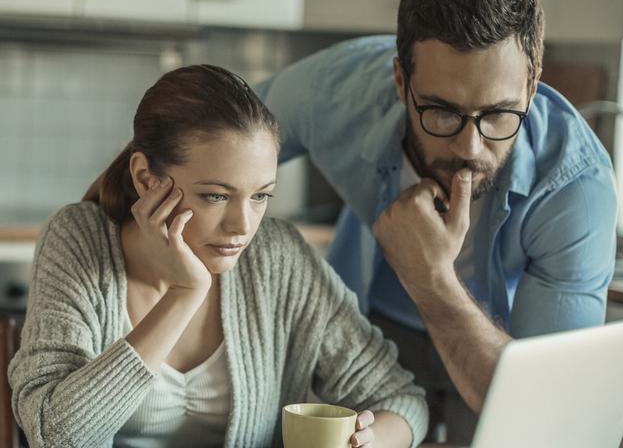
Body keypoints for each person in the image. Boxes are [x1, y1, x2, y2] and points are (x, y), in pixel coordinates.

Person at [254, 0, 618, 442]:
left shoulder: (577, 188)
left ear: (532, 84)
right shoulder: (332, 94)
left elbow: (544, 413)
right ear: (401, 82)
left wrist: (429, 278)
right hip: (369, 330)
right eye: (442, 112)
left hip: (496, 341)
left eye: (498, 114)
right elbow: (209, 138)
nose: (469, 148)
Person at [8, 65, 429, 448]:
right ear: (145, 178)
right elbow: (54, 436)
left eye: (261, 196)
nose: (242, 226)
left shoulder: (277, 258)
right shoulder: (78, 241)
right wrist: (184, 293)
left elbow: (400, 400)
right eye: (216, 195)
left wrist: (373, 440)